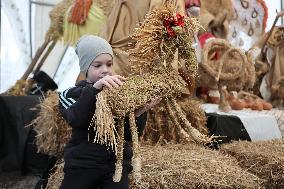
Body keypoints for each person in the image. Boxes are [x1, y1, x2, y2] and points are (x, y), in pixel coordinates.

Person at [59, 35, 161, 189]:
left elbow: (128, 135)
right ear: (86, 67)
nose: (105, 70)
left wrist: (139, 112)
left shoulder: (118, 94)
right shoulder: (71, 94)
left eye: (109, 64)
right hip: (83, 164)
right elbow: (77, 119)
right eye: (97, 65)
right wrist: (95, 89)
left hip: (114, 166)